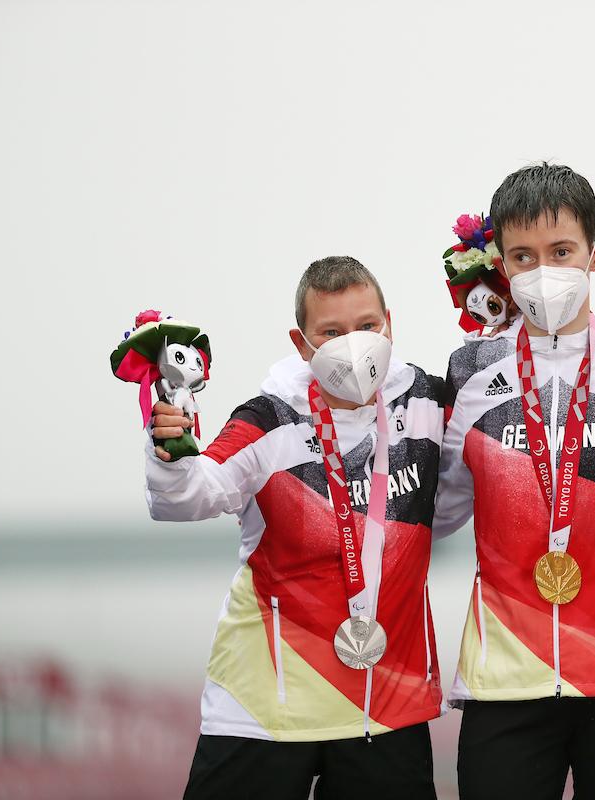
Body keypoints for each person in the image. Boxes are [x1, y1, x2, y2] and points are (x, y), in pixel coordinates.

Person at [434, 163, 595, 800]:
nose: (542, 270)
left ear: (594, 256)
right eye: (523, 256)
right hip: (506, 684)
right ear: (499, 262)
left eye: (561, 251)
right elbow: (439, 512)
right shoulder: (469, 372)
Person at [145, 257, 444, 800]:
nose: (354, 345)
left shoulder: (425, 403)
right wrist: (169, 450)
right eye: (332, 332)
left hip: (384, 709)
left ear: (390, 324)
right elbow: (188, 496)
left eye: (367, 327)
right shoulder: (268, 419)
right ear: (302, 343)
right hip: (264, 707)